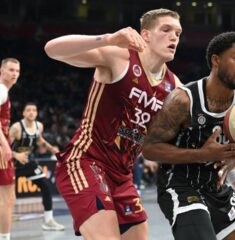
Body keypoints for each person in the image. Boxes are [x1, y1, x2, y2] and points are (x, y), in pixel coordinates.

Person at [44, 8, 182, 239]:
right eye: (166, 30)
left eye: (178, 33)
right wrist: (108, 38)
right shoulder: (120, 57)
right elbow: (52, 49)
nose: (174, 37)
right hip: (86, 161)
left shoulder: (174, 86)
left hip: (123, 175)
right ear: (145, 35)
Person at [143, 32, 235, 240]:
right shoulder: (183, 100)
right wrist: (201, 154)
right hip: (179, 185)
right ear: (216, 60)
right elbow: (149, 148)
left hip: (216, 187)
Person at [9, 102, 65, 231]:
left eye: (34, 110)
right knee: (7, 195)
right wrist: (16, 155)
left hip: (28, 163)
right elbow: (3, 147)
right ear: (23, 113)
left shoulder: (39, 126)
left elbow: (40, 140)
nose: (31, 112)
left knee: (45, 186)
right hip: (12, 164)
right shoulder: (16, 128)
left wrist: (52, 149)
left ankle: (48, 220)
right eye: (28, 110)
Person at [0, 58, 20, 240]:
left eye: (17, 71)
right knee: (8, 198)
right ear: (2, 71)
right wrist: (5, 146)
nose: (14, 74)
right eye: (11, 70)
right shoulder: (1, 90)